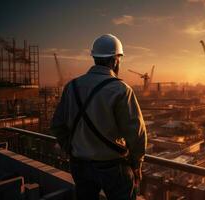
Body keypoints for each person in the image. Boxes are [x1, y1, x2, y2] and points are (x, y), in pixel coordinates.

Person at [51, 34, 147, 200]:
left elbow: (57, 125)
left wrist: (71, 149)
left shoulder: (71, 87)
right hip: (113, 167)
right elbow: (136, 134)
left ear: (94, 58)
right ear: (115, 60)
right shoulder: (121, 90)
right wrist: (136, 164)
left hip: (79, 164)